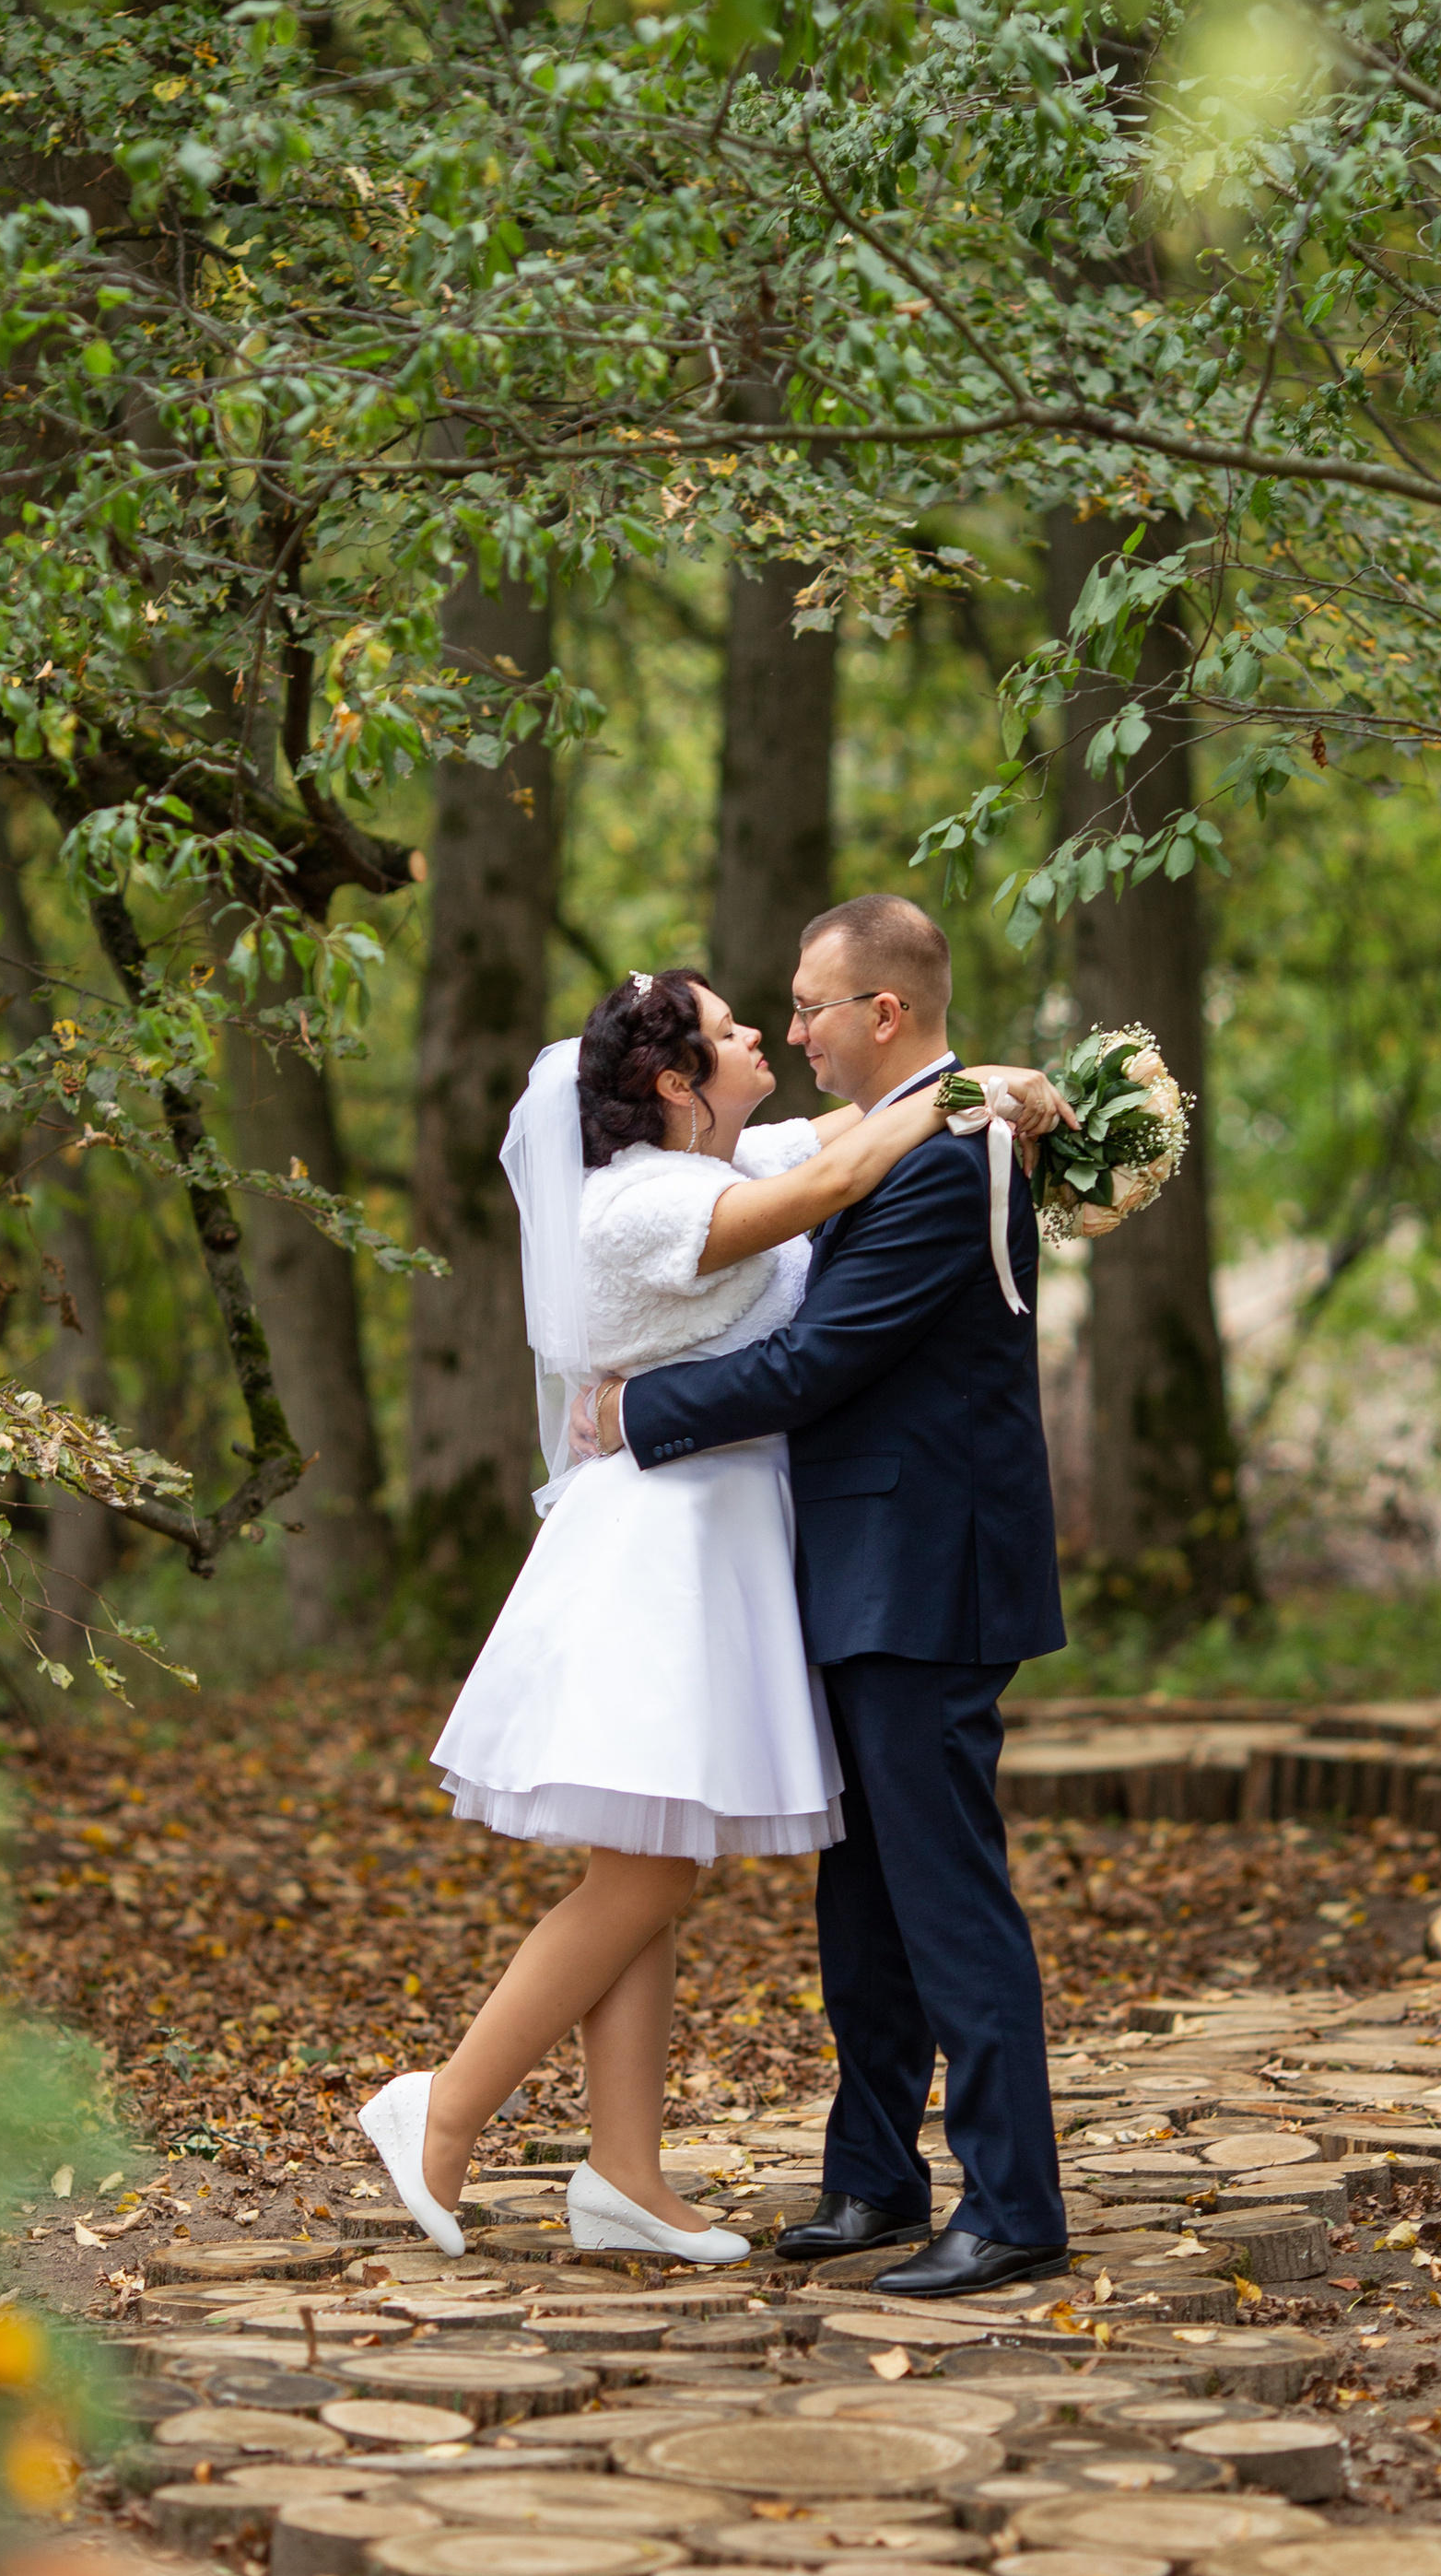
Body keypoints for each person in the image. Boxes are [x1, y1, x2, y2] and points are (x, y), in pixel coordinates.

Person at [357, 966, 1068, 2267]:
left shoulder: (726, 1160)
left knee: (651, 1868)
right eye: (740, 1028)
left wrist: (1005, 1084)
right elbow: (836, 1181)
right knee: (647, 1870)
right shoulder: (643, 1203)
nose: (769, 1037)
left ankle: (625, 2170)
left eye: (785, 1013)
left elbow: (859, 1129)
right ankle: (441, 2108)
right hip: (660, 1556)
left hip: (732, 1547)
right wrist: (972, 1092)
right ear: (680, 1082)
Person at [587, 896, 1069, 2300]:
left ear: (886, 1014)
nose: (790, 1030)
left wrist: (641, 1412)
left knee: (946, 1894)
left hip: (928, 1569)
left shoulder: (951, 1158)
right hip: (862, 1567)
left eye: (808, 1006)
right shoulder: (889, 1144)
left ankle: (1016, 2202)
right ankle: (872, 2178)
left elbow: (823, 1363)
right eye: (779, 1012)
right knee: (862, 1905)